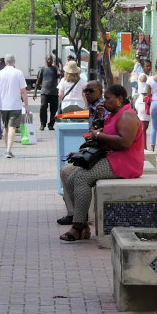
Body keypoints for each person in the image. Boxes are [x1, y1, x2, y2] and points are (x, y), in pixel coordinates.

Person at [59, 84, 146, 242]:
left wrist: (98, 135)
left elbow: (124, 142)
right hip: (112, 159)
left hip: (125, 163)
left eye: (108, 98)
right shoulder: (113, 115)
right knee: (71, 178)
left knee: (81, 178)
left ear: (119, 99)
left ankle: (78, 226)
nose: (105, 101)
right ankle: (83, 226)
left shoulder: (127, 116)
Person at [57, 80, 107, 223]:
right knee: (67, 172)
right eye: (85, 91)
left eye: (91, 91)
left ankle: (78, 218)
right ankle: (76, 215)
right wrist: (81, 152)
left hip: (103, 156)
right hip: (94, 152)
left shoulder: (103, 109)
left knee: (72, 174)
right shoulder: (93, 108)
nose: (87, 94)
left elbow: (102, 135)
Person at [0, 53, 29, 159]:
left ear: (5, 62)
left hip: (3, 106)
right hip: (15, 105)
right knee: (13, 127)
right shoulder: (18, 73)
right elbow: (23, 91)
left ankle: (6, 148)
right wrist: (26, 106)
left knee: (5, 127)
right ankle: (8, 150)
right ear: (14, 62)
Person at [35, 55, 59, 130]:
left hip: (54, 92)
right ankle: (42, 124)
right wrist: (35, 92)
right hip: (44, 92)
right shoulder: (42, 69)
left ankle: (51, 125)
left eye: (51, 59)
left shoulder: (55, 68)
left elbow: (59, 74)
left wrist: (60, 68)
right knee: (43, 106)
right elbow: (38, 81)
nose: (50, 61)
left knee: (54, 109)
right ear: (46, 60)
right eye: (48, 59)